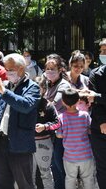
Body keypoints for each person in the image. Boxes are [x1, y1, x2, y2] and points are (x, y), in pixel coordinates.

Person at [0, 53, 40, 189]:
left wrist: (4, 92)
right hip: (1, 142)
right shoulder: (5, 85)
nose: (7, 72)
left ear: (21, 68)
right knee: (1, 183)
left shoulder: (32, 87)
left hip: (20, 144)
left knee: (25, 184)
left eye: (10, 69)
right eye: (6, 69)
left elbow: (25, 106)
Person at [56, 88, 95, 189]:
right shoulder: (85, 115)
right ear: (78, 101)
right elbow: (90, 131)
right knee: (88, 179)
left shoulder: (61, 117)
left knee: (70, 179)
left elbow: (59, 135)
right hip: (86, 155)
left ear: (63, 102)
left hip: (69, 157)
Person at [43, 54, 72, 189]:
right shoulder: (48, 84)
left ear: (60, 69)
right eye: (47, 68)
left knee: (58, 164)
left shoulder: (64, 85)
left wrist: (41, 105)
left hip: (60, 131)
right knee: (53, 165)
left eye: (52, 68)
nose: (49, 71)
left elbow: (55, 104)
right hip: (49, 128)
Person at [33, 76, 58, 189]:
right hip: (27, 143)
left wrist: (45, 126)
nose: (37, 91)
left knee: (46, 173)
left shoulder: (48, 105)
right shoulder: (26, 104)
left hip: (44, 143)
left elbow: (57, 123)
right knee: (28, 175)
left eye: (39, 88)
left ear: (44, 89)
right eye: (34, 88)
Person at [86, 62, 106, 188]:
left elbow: (95, 97)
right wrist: (103, 121)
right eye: (102, 51)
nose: (103, 54)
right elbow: (90, 98)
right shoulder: (95, 73)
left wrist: (98, 97)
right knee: (102, 168)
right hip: (99, 129)